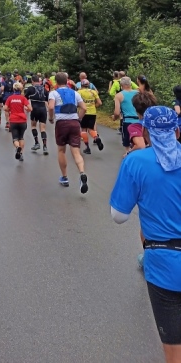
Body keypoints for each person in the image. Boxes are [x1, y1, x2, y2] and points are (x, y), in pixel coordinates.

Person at [110, 107, 181, 362]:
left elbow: (119, 216)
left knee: (174, 349)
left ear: (146, 132)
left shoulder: (135, 161)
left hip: (165, 264)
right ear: (177, 131)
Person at [48, 72, 88, 193]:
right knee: (76, 151)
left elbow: (51, 107)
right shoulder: (75, 93)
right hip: (74, 122)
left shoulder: (53, 93)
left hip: (62, 123)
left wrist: (51, 118)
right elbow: (84, 108)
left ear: (56, 82)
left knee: (61, 150)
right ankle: (82, 173)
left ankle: (64, 177)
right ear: (67, 81)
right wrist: (79, 118)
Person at [4, 82, 32, 162]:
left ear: (13, 89)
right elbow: (30, 108)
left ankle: (17, 147)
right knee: (21, 137)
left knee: (15, 138)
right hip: (22, 120)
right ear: (21, 89)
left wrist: (10, 109)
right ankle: (21, 154)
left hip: (13, 120)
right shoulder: (23, 98)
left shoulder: (10, 98)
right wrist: (26, 109)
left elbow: (5, 108)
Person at [113, 77, 140, 149]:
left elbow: (117, 112)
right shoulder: (138, 93)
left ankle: (129, 153)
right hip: (140, 121)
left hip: (127, 122)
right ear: (131, 84)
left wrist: (114, 118)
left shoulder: (119, 95)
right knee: (140, 143)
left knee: (127, 145)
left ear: (121, 85)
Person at [24, 75, 49, 155]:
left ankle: (37, 143)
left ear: (32, 81)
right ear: (39, 81)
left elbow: (25, 99)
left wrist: (26, 107)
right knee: (43, 128)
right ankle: (45, 146)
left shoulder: (30, 89)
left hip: (34, 109)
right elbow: (46, 100)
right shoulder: (44, 89)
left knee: (33, 126)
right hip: (43, 110)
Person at [78, 80, 104, 154]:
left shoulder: (79, 92)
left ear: (81, 85)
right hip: (93, 112)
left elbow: (76, 103)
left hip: (83, 112)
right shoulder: (93, 92)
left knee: (83, 130)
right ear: (88, 85)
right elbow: (100, 103)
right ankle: (96, 137)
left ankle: (87, 148)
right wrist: (94, 106)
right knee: (91, 129)